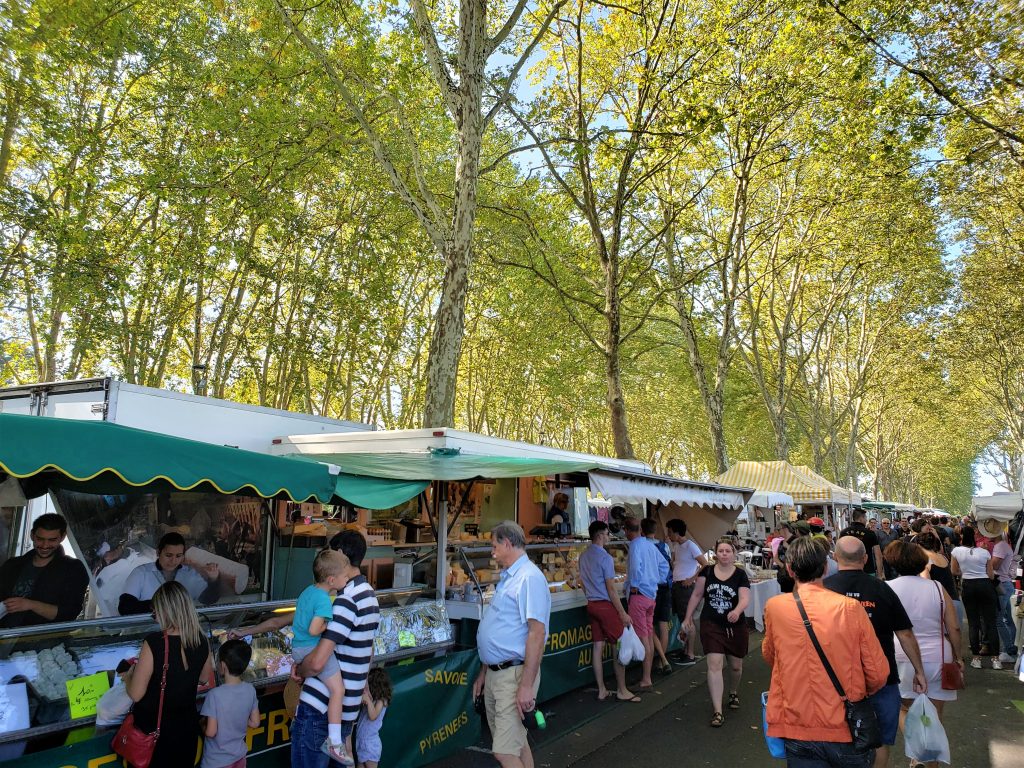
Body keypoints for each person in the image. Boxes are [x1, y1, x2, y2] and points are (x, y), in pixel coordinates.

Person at [763, 536, 889, 767]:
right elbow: (878, 671)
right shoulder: (849, 608)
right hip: (844, 721)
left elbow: (771, 655)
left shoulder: (774, 607)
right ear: (824, 568)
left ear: (790, 570)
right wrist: (857, 691)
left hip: (796, 720)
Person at [825, 537, 928, 768]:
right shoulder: (882, 588)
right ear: (864, 559)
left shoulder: (824, 589)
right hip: (882, 678)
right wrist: (919, 671)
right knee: (879, 740)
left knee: (839, 738)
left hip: (835, 680)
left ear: (835, 557)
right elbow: (905, 634)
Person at [293, 531, 380, 768]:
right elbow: (368, 653)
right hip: (344, 712)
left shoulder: (346, 600)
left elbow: (318, 662)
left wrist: (300, 669)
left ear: (340, 555)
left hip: (318, 709)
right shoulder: (369, 596)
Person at [471, 521, 551, 768]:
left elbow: (537, 633)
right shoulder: (510, 577)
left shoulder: (529, 578)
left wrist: (526, 686)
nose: (492, 551)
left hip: (514, 675)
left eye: (494, 545)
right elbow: (501, 628)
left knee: (504, 752)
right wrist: (484, 671)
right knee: (516, 744)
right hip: (499, 674)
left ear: (507, 543)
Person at [885, 540, 963, 767]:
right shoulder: (938, 588)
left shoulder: (887, 587)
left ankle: (917, 754)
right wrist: (958, 658)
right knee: (935, 715)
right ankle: (930, 761)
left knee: (904, 708)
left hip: (900, 656)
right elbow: (954, 628)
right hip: (938, 657)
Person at [123, 581, 214, 768]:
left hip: (155, 733)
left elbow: (136, 693)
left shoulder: (154, 642)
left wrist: (128, 676)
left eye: (155, 612)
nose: (155, 618)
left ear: (166, 610)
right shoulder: (201, 639)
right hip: (187, 729)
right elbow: (205, 678)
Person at [682, 537, 750, 727]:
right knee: (714, 664)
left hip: (735, 626)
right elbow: (697, 594)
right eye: (721, 551)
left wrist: (736, 611)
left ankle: (733, 692)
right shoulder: (707, 571)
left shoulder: (740, 574)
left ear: (734, 553)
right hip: (711, 624)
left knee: (735, 666)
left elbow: (745, 598)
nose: (724, 554)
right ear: (715, 553)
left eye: (728, 551)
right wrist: (687, 617)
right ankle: (717, 711)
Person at [578, 521, 638, 702]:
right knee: (619, 645)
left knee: (597, 646)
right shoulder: (605, 558)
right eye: (607, 533)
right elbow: (611, 590)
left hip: (591, 604)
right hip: (604, 605)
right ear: (600, 535)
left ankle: (602, 689)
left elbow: (582, 583)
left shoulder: (583, 556)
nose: (609, 536)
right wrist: (622, 613)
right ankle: (622, 690)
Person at [0, 513, 89, 627]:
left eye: (52, 540)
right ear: (32, 535)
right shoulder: (12, 564)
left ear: (62, 537)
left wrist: (30, 604)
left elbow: (69, 613)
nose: (45, 545)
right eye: (40, 539)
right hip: (4, 635)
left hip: (44, 640)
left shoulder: (73, 569)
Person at [119, 532, 227, 615]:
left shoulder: (190, 574)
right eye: (168, 555)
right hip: (148, 631)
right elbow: (125, 607)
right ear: (158, 553)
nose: (173, 561)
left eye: (178, 556)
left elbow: (207, 600)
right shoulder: (141, 573)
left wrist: (213, 580)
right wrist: (161, 604)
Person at [201, 639, 260, 768]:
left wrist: (202, 725)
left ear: (223, 666)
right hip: (239, 757)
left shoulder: (214, 695)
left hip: (216, 761)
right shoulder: (250, 689)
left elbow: (211, 732)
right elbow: (255, 723)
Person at [950, 526, 1001, 667]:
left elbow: (954, 571)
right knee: (990, 623)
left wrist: (966, 571)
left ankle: (976, 658)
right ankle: (996, 659)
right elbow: (991, 575)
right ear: (974, 536)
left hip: (968, 585)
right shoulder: (984, 552)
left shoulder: (956, 551)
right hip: (985, 585)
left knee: (973, 623)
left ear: (961, 536)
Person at [623, 516, 660, 691]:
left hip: (639, 595)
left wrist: (635, 586)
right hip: (651, 595)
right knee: (648, 634)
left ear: (627, 530)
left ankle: (646, 679)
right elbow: (664, 566)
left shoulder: (635, 545)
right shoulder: (650, 544)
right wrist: (654, 581)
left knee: (644, 637)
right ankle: (647, 676)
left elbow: (635, 569)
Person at [665, 518, 707, 666]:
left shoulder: (690, 545)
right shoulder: (677, 546)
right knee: (683, 618)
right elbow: (674, 563)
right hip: (677, 585)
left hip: (685, 587)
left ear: (677, 532)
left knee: (687, 619)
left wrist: (692, 578)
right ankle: (685, 650)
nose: (668, 534)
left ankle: (690, 653)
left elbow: (705, 564)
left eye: (670, 532)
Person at [641, 517, 673, 674]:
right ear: (655, 531)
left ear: (642, 530)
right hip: (665, 587)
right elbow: (669, 563)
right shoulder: (664, 545)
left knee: (650, 626)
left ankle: (660, 658)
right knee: (663, 625)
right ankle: (662, 661)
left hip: (650, 589)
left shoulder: (642, 546)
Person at [915, 531, 964, 628]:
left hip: (941, 606)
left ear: (918, 545)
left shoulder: (925, 562)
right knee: (955, 638)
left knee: (944, 640)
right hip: (955, 601)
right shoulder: (943, 557)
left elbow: (927, 587)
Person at [991, 529, 1019, 664]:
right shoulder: (1002, 545)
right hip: (1006, 584)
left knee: (999, 619)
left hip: (1002, 584)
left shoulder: (1000, 546)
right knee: (1007, 619)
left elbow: (995, 565)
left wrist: (984, 560)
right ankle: (1010, 649)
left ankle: (1008, 649)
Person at [355, 667, 391, 768]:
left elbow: (373, 716)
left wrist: (368, 700)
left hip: (370, 744)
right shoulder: (372, 699)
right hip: (360, 741)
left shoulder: (381, 700)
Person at [839, 509, 884, 579]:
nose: (866, 520)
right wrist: (880, 574)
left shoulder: (843, 533)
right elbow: (878, 555)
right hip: (868, 570)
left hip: (847, 570)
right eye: (865, 518)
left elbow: (839, 552)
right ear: (861, 518)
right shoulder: (870, 533)